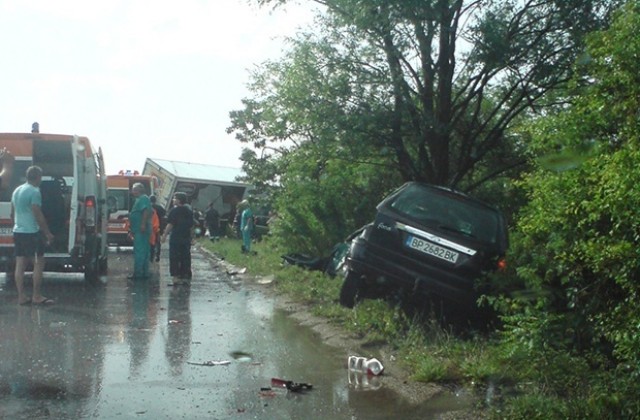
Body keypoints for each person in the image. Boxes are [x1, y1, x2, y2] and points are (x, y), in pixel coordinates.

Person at [11, 165, 55, 305]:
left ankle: (21, 296)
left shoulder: (17, 190)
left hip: (18, 232)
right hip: (31, 233)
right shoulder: (34, 191)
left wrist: (18, 225)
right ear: (38, 177)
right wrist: (47, 233)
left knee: (20, 264)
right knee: (38, 262)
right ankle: (36, 296)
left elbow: (12, 213)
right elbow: (37, 213)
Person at [161, 192, 194, 285]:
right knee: (185, 256)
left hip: (176, 237)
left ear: (179, 200)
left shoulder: (174, 211)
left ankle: (176, 277)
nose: (173, 200)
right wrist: (192, 237)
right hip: (186, 237)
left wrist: (164, 235)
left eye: (174, 198)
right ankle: (185, 276)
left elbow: (170, 224)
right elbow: (191, 225)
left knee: (174, 257)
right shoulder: (189, 211)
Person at [128, 182, 152, 279]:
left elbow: (145, 211)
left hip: (141, 230)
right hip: (139, 229)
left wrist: (142, 224)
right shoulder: (142, 199)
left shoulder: (143, 199)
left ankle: (138, 273)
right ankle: (144, 273)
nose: (132, 191)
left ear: (138, 190)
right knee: (144, 251)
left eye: (133, 189)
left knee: (140, 251)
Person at [149, 195, 166, 262]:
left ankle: (151, 256)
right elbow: (164, 213)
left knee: (150, 242)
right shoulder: (159, 207)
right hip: (158, 226)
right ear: (155, 200)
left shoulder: (148, 207)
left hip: (150, 226)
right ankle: (157, 256)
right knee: (157, 241)